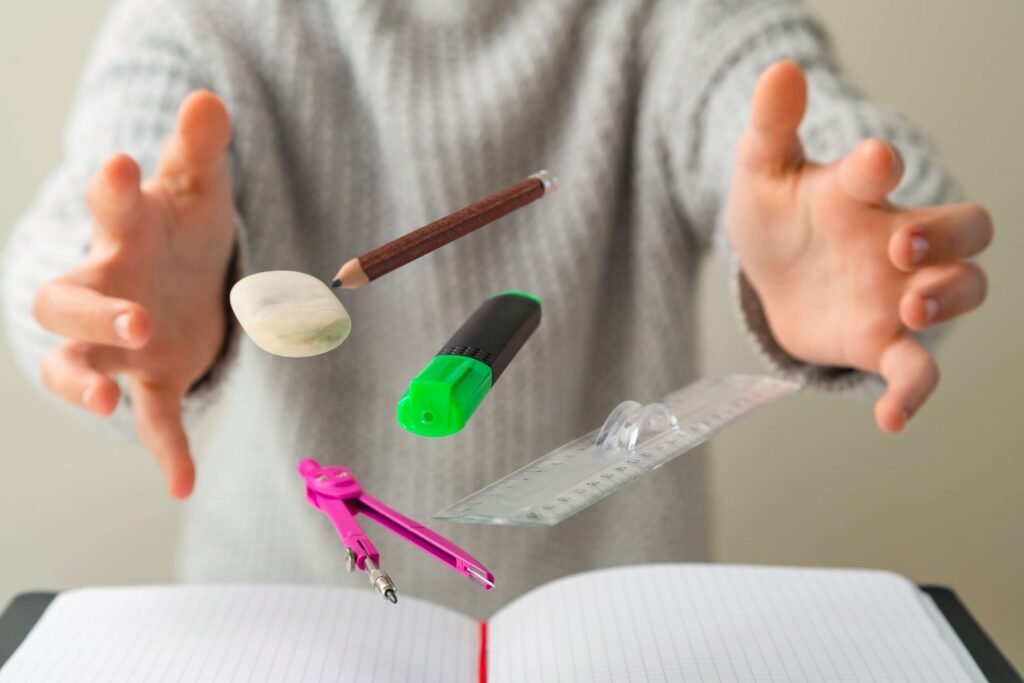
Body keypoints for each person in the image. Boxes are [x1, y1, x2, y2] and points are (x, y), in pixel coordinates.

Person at [1, 0, 992, 619]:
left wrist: (873, 238)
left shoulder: (683, 18)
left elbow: (824, 145)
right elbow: (78, 230)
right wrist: (111, 301)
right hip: (275, 621)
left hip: (616, 630)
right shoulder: (201, 18)